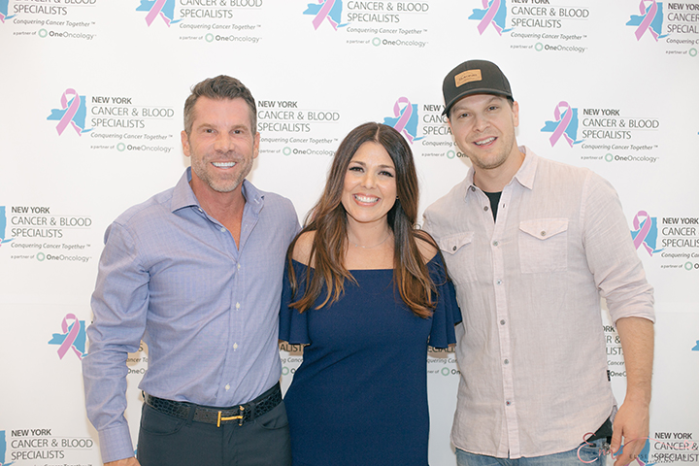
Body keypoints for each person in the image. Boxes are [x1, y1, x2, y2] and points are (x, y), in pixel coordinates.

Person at [423, 60, 655, 466]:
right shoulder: (439, 219)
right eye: (464, 115)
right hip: (479, 444)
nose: (479, 125)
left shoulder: (582, 191)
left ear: (515, 112)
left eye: (492, 108)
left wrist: (637, 399)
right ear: (452, 130)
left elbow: (630, 295)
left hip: (569, 441)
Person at [82, 75, 299, 466]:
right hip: (175, 438)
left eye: (237, 131)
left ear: (256, 142)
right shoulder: (137, 230)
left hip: (265, 434)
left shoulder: (282, 217)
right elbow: (108, 345)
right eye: (208, 130)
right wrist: (116, 451)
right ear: (186, 141)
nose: (224, 145)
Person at [279, 122, 461, 466]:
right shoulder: (309, 250)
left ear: (400, 186)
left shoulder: (423, 255)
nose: (368, 184)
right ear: (340, 177)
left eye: (385, 173)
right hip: (314, 439)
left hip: (399, 442)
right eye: (357, 169)